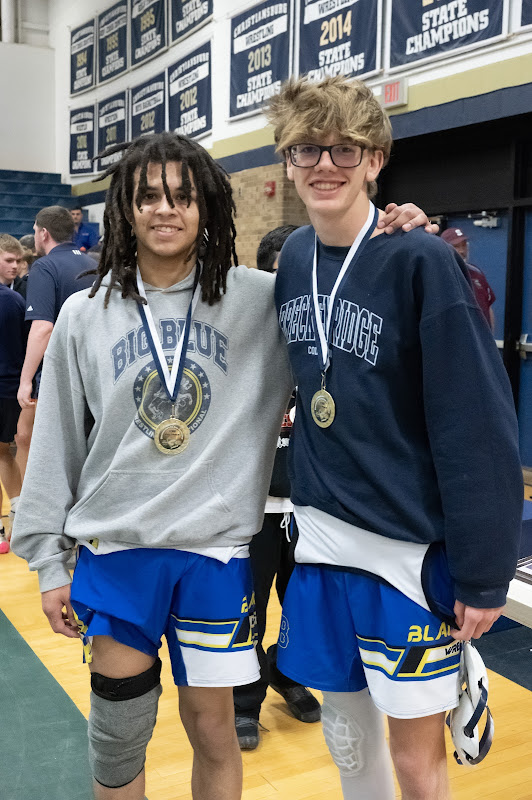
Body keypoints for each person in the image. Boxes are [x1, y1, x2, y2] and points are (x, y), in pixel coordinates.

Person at [11, 130, 434, 800]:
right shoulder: (83, 313)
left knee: (214, 729)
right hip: (118, 550)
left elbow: (355, 290)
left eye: (182, 196)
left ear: (207, 206)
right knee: (118, 739)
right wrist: (47, 560)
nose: (165, 209)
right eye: (147, 196)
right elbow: (57, 442)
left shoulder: (259, 300)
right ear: (123, 208)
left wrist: (395, 232)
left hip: (218, 554)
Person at [268, 76, 522, 800]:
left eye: (344, 149)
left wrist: (482, 571)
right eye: (306, 149)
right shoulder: (289, 258)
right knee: (347, 742)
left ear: (376, 158)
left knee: (417, 761)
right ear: (287, 160)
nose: (324, 165)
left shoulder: (420, 259)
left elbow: (476, 425)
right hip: (318, 540)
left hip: (407, 553)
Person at [233, 224, 321, 750]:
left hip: (313, 507)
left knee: (304, 606)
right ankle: (245, 699)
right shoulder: (246, 336)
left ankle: (287, 675)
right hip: (256, 505)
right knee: (250, 606)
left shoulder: (324, 336)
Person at [15, 206, 95, 487]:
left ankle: (27, 513)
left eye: (35, 231)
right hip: (94, 370)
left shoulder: (45, 266)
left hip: (59, 372)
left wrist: (25, 380)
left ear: (43, 233)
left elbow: (43, 328)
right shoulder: (92, 262)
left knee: (31, 439)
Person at [0, 278, 26, 553]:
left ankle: (11, 523)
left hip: (10, 386)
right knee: (8, 450)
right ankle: (19, 518)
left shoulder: (13, 299)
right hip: (13, 388)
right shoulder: (15, 299)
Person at [441, 226, 496, 330]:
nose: (462, 251)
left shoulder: (476, 273)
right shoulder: (439, 275)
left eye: (464, 245)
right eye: (456, 246)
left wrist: (490, 339)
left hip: (482, 341)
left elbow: (488, 307)